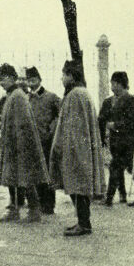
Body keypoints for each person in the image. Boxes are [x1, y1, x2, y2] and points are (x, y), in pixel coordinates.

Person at [49, 60, 106, 236]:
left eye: (64, 74)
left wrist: (62, 148)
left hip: (76, 150)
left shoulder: (75, 95)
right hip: (82, 149)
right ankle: (83, 222)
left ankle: (84, 224)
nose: (62, 78)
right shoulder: (83, 93)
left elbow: (72, 128)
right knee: (79, 185)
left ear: (71, 76)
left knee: (78, 186)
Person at [0, 64, 50, 223]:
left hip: (21, 146)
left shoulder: (17, 96)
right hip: (13, 144)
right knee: (13, 179)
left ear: (13, 78)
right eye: (0, 79)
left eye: (4, 78)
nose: (1, 82)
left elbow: (23, 123)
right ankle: (14, 210)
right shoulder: (12, 95)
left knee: (26, 179)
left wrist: (19, 145)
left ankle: (34, 210)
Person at [98, 70, 134, 207]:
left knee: (130, 168)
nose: (112, 86)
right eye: (111, 83)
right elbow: (101, 119)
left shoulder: (131, 99)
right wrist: (102, 137)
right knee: (120, 168)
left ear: (121, 84)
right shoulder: (108, 102)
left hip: (131, 141)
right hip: (116, 142)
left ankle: (113, 199)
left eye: (114, 83)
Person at [24, 66, 60, 214]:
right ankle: (37, 203)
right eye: (29, 79)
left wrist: (52, 128)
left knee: (47, 174)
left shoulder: (51, 97)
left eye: (34, 79)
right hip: (32, 143)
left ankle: (49, 205)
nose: (31, 82)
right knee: (35, 174)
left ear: (39, 80)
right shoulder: (26, 99)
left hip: (46, 142)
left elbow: (61, 114)